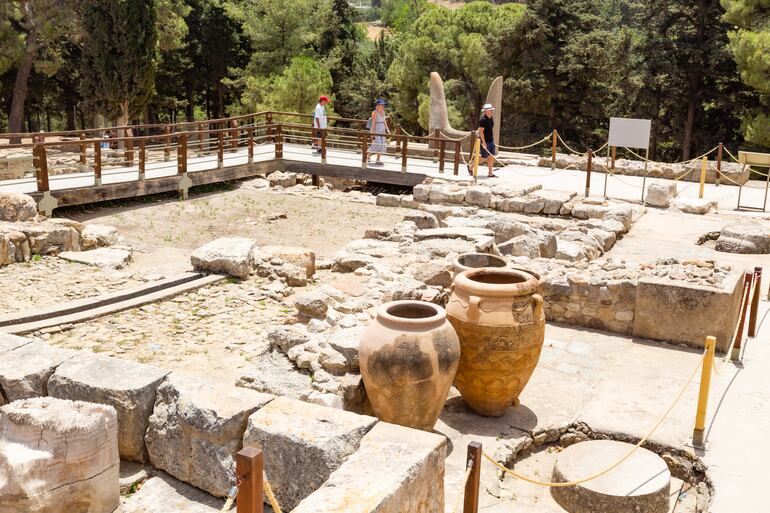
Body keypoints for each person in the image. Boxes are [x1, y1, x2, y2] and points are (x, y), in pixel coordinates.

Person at [366, 98, 390, 166]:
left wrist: (387, 129)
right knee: (377, 143)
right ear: (378, 105)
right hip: (376, 128)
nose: (383, 106)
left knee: (382, 144)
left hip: (382, 128)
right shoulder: (374, 112)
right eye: (382, 105)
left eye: (383, 105)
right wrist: (372, 133)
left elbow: (384, 121)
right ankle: (368, 154)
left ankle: (378, 160)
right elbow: (373, 123)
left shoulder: (383, 111)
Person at [477, 103, 497, 178]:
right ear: (485, 111)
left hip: (491, 140)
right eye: (489, 110)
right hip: (485, 141)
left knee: (491, 156)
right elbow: (481, 132)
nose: (490, 111)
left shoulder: (490, 118)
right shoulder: (483, 120)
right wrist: (484, 143)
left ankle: (490, 173)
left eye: (491, 110)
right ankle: (471, 167)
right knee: (484, 157)